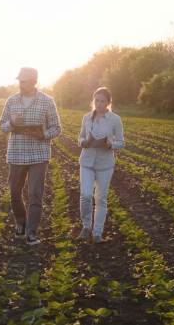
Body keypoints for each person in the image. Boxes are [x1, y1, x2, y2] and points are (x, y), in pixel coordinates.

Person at [0, 67, 61, 245]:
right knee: (14, 193)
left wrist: (44, 135)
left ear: (34, 81)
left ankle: (32, 232)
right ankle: (21, 222)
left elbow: (57, 127)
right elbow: (2, 126)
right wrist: (12, 122)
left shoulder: (47, 101)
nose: (20, 84)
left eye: (24, 81)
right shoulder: (11, 101)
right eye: (19, 80)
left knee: (35, 194)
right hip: (16, 153)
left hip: (39, 154)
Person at [76, 87, 124, 243]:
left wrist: (111, 144)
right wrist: (85, 142)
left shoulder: (115, 119)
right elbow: (80, 138)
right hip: (87, 161)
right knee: (86, 195)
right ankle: (86, 226)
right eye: (97, 100)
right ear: (93, 101)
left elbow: (121, 142)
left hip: (105, 163)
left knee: (101, 198)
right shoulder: (86, 118)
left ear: (109, 103)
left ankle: (97, 233)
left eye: (103, 101)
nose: (99, 104)